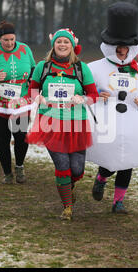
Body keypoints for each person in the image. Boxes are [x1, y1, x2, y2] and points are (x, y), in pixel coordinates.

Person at [86, 2, 138, 214]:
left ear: (131, 49)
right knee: (110, 162)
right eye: (117, 49)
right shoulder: (94, 68)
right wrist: (96, 95)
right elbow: (84, 90)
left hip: (133, 124)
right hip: (106, 123)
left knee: (128, 163)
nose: (121, 53)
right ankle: (101, 178)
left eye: (125, 49)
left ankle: (118, 201)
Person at [25, 28, 99, 220]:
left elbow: (93, 96)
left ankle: (69, 186)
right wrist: (38, 97)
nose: (62, 45)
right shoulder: (43, 67)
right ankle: (67, 207)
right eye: (59, 42)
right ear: (53, 45)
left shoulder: (82, 68)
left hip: (76, 124)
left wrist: (81, 99)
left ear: (72, 46)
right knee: (62, 164)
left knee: (77, 169)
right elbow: (31, 91)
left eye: (66, 42)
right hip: (50, 122)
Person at [0, 21, 36, 184]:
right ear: (0, 39)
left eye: (12, 39)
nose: (10, 43)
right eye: (6, 40)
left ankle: (19, 166)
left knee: (21, 136)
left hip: (21, 101)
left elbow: (33, 69)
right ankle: (7, 173)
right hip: (0, 103)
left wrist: (33, 85)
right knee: (3, 138)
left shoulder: (25, 49)